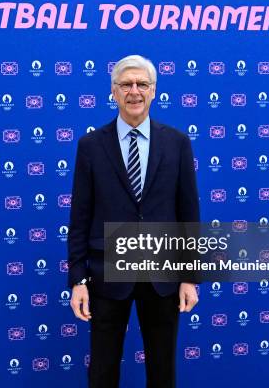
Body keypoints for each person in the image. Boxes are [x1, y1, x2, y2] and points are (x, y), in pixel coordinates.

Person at [67, 54, 200, 388]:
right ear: (113, 91)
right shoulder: (91, 146)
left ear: (154, 91)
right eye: (126, 84)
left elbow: (188, 215)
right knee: (102, 370)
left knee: (162, 371)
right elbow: (80, 217)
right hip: (107, 274)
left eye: (142, 84)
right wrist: (77, 281)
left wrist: (190, 278)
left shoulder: (177, 143)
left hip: (163, 275)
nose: (134, 91)